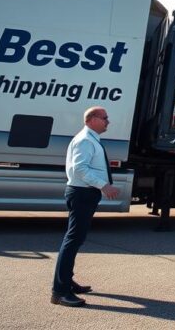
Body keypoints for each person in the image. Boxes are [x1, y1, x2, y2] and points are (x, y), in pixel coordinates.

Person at [51, 106, 120, 307]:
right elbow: (79, 168)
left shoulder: (90, 140)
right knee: (73, 240)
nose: (108, 121)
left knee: (76, 239)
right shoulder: (84, 140)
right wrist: (103, 185)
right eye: (105, 118)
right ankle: (60, 292)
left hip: (85, 193)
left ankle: (67, 282)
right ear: (92, 119)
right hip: (82, 193)